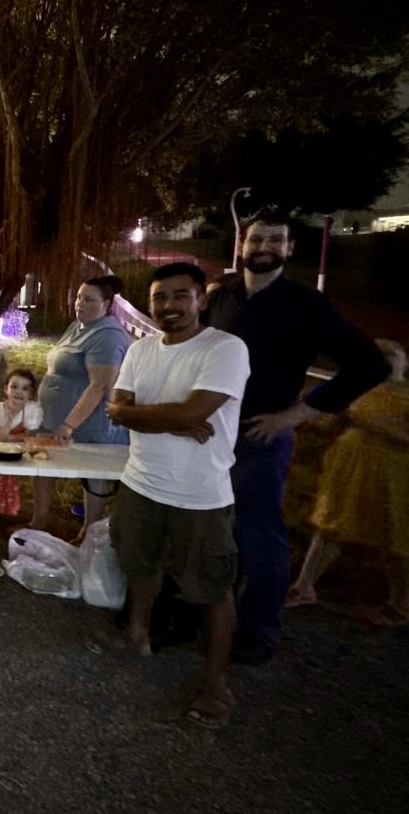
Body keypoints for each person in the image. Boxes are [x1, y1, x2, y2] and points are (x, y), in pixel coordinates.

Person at [206, 210, 389, 664]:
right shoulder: (222, 297)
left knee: (259, 535)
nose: (264, 247)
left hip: (260, 437)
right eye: (256, 239)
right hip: (211, 433)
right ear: (242, 246)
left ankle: (258, 632)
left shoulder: (307, 306)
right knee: (215, 529)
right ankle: (217, 614)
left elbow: (369, 365)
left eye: (275, 240)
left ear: (289, 249)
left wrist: (296, 414)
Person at [105, 263, 250, 729]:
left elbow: (193, 409)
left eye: (180, 296)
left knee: (210, 589)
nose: (168, 305)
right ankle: (137, 632)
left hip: (201, 494)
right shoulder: (141, 350)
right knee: (138, 565)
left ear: (200, 299)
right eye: (160, 297)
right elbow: (117, 410)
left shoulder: (225, 349)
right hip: (142, 482)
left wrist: (151, 414)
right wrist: (179, 420)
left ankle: (215, 685)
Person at [285, 339, 409, 626]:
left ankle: (401, 605)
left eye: (392, 357)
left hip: (394, 478)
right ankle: (303, 586)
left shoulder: (404, 397)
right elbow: (325, 419)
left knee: (395, 541)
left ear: (403, 363)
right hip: (350, 472)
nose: (385, 363)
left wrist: (378, 429)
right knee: (329, 528)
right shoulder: (358, 388)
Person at [32, 276, 130, 540]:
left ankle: (90, 530)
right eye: (78, 297)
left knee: (92, 475)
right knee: (43, 467)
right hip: (54, 418)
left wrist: (69, 424)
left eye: (89, 299)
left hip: (88, 423)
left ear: (106, 304)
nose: (80, 303)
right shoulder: (79, 326)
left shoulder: (107, 335)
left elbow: (100, 386)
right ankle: (39, 521)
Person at [0, 368, 43, 540]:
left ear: (31, 393)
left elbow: (30, 436)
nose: (19, 392)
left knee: (6, 485)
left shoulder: (32, 410)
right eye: (14, 386)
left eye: (25, 388)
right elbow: (0, 436)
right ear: (6, 389)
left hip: (12, 456)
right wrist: (10, 422)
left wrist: (3, 437)